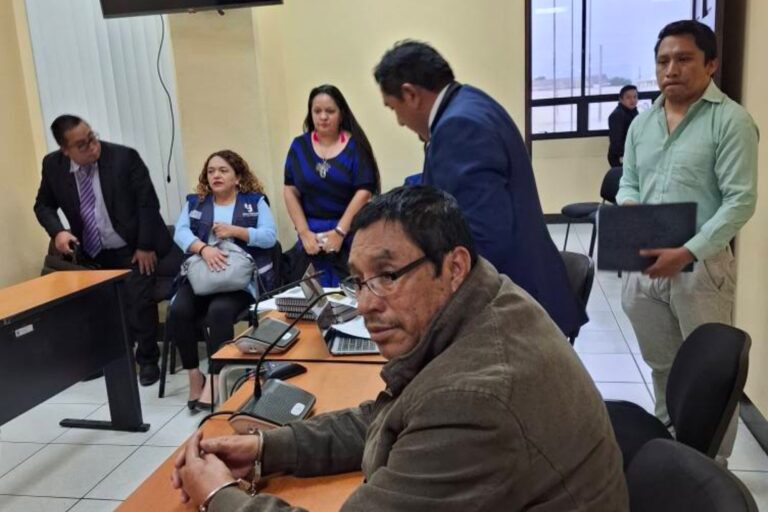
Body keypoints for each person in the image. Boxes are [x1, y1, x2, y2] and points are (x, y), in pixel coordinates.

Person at [171, 186, 629, 511]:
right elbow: (390, 418)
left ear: (453, 267)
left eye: (388, 276)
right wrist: (265, 448)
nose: (365, 303)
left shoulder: (474, 399)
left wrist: (219, 497)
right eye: (358, 280)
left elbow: (436, 413)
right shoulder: (486, 299)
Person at [373, 40, 585, 338]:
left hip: (510, 313)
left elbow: (483, 239)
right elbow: (461, 190)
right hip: (525, 292)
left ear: (411, 94)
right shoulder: (470, 102)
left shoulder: (457, 127)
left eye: (394, 108)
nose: (399, 121)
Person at [616, 20, 758, 459]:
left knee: (708, 377)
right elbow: (628, 181)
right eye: (663, 61)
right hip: (645, 259)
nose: (670, 69)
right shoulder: (643, 124)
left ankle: (713, 467)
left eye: (683, 59)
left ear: (710, 64)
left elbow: (740, 201)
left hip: (700, 266)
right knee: (662, 366)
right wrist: (631, 210)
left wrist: (688, 251)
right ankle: (669, 455)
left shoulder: (731, 121)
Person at [34, 114, 172, 386]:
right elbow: (43, 205)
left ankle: (147, 360)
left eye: (92, 137)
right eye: (82, 145)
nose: (92, 147)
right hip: (93, 252)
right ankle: (110, 359)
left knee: (138, 302)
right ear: (65, 150)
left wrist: (145, 246)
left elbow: (148, 204)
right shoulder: (53, 166)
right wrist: (58, 231)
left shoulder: (124, 158)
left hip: (131, 246)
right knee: (100, 310)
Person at [170, 150, 277, 410]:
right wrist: (204, 249)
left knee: (219, 312)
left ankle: (216, 376)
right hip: (202, 276)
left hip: (237, 280)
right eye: (211, 171)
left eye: (223, 170)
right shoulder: (196, 203)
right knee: (178, 310)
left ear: (237, 177)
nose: (216, 175)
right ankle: (194, 375)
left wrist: (236, 231)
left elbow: (269, 237)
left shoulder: (255, 202)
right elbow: (180, 233)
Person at [283, 84, 380, 287]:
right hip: (310, 236)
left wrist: (339, 232)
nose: (323, 117)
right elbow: (290, 189)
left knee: (349, 296)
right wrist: (304, 233)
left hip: (349, 233)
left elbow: (364, 192)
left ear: (341, 114)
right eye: (317, 111)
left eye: (330, 111)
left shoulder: (356, 146)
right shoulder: (299, 146)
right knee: (309, 296)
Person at [607, 84, 639, 167]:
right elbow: (616, 143)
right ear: (621, 99)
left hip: (632, 155)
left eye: (635, 97)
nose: (633, 100)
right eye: (628, 97)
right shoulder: (617, 115)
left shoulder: (634, 112)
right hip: (620, 157)